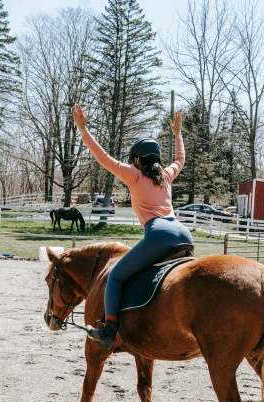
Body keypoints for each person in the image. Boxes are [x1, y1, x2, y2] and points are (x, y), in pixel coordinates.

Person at [72, 104, 194, 350]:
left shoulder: (135, 175)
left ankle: (108, 330)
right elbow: (180, 159)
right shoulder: (167, 175)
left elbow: (103, 158)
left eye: (133, 160)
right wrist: (178, 134)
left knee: (116, 276)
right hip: (184, 233)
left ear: (137, 160)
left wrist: (83, 130)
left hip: (159, 233)